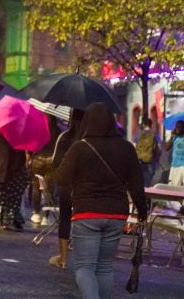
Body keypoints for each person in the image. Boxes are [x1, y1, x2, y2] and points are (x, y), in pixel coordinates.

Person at [55, 102, 148, 299]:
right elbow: (137, 185)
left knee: (84, 267)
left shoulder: (79, 147)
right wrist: (142, 212)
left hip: (86, 212)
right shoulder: (126, 148)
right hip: (116, 213)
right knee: (105, 267)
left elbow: (61, 178)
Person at [48, 108, 84, 269]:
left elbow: (55, 161)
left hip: (66, 186)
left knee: (65, 217)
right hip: (84, 187)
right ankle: (84, 258)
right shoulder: (88, 140)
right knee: (83, 220)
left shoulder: (64, 137)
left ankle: (63, 258)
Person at [0, 130, 28, 231]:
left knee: (3, 197)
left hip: (1, 170)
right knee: (15, 197)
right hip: (16, 170)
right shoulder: (20, 135)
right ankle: (15, 219)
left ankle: (6, 220)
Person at [133, 117, 160, 187]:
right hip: (151, 162)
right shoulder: (155, 135)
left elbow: (133, 148)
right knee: (147, 183)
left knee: (140, 183)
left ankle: (140, 196)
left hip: (140, 161)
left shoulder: (138, 135)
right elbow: (159, 151)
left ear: (143, 124)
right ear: (151, 125)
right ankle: (147, 196)